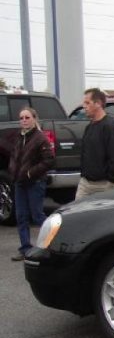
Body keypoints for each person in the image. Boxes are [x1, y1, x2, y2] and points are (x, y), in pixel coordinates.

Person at [9, 106, 55, 261]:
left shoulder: (40, 138)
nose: (24, 120)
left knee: (37, 216)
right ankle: (24, 248)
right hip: (19, 182)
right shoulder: (18, 137)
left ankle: (52, 245)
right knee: (21, 216)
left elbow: (49, 160)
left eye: (27, 117)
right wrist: (13, 170)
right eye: (21, 118)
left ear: (34, 119)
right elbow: (14, 157)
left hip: (35, 182)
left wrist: (30, 172)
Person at [75, 88, 114, 200]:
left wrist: (111, 181)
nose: (84, 106)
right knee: (78, 214)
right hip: (85, 184)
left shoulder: (110, 126)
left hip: (105, 185)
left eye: (87, 103)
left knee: (104, 217)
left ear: (98, 103)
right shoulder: (89, 127)